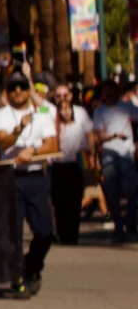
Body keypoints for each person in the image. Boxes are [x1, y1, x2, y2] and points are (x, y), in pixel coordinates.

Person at [0, 71, 58, 297]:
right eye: (13, 88)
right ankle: (17, 278)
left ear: (29, 91)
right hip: (11, 178)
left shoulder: (42, 113)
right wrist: (19, 129)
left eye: (22, 87)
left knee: (45, 231)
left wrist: (33, 151)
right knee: (13, 232)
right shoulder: (0, 115)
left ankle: (32, 266)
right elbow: (2, 140)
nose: (18, 91)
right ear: (7, 92)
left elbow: (53, 144)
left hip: (35, 176)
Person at [90, 78, 138, 243]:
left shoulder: (126, 107)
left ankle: (130, 225)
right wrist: (114, 136)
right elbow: (99, 136)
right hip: (109, 155)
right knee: (111, 193)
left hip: (126, 154)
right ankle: (118, 226)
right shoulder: (100, 112)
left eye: (112, 90)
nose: (109, 93)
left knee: (132, 192)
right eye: (106, 90)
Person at [50, 82, 89, 246]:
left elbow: (90, 134)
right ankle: (62, 232)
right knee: (59, 201)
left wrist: (91, 154)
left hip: (74, 163)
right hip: (57, 165)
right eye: (58, 96)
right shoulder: (51, 114)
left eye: (65, 95)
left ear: (71, 96)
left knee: (74, 200)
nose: (62, 99)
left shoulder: (80, 113)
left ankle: (73, 233)